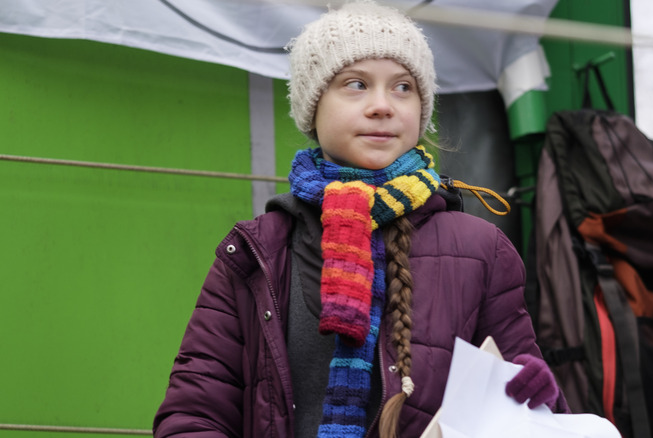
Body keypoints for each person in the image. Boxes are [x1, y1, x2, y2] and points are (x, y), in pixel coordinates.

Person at [153, 1, 569, 437]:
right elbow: (193, 415)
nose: (382, 106)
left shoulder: (483, 250)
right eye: (356, 84)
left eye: (403, 87)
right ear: (312, 108)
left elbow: (537, 415)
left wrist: (537, 392)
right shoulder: (255, 252)